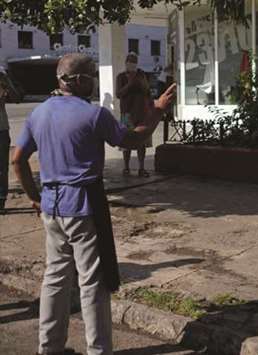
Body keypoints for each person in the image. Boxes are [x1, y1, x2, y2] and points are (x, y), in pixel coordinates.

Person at [11, 53, 176, 355]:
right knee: (92, 282)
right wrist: (156, 113)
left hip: (52, 207)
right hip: (84, 206)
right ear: (79, 81)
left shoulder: (39, 113)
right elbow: (134, 141)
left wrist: (35, 198)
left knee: (55, 279)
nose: (95, 81)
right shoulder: (93, 115)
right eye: (91, 76)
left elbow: (17, 159)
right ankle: (99, 350)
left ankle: (49, 348)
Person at [116, 53, 152, 177]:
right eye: (129, 62)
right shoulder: (121, 77)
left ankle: (141, 168)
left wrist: (141, 80)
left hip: (141, 113)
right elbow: (119, 94)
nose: (131, 64)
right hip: (127, 113)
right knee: (127, 142)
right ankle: (126, 167)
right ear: (126, 63)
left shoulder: (141, 75)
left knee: (142, 142)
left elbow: (147, 91)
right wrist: (130, 84)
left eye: (134, 62)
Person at [0, 69, 9, 212]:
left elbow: (17, 96)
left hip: (1, 131)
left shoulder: (3, 87)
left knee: (1, 168)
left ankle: (1, 199)